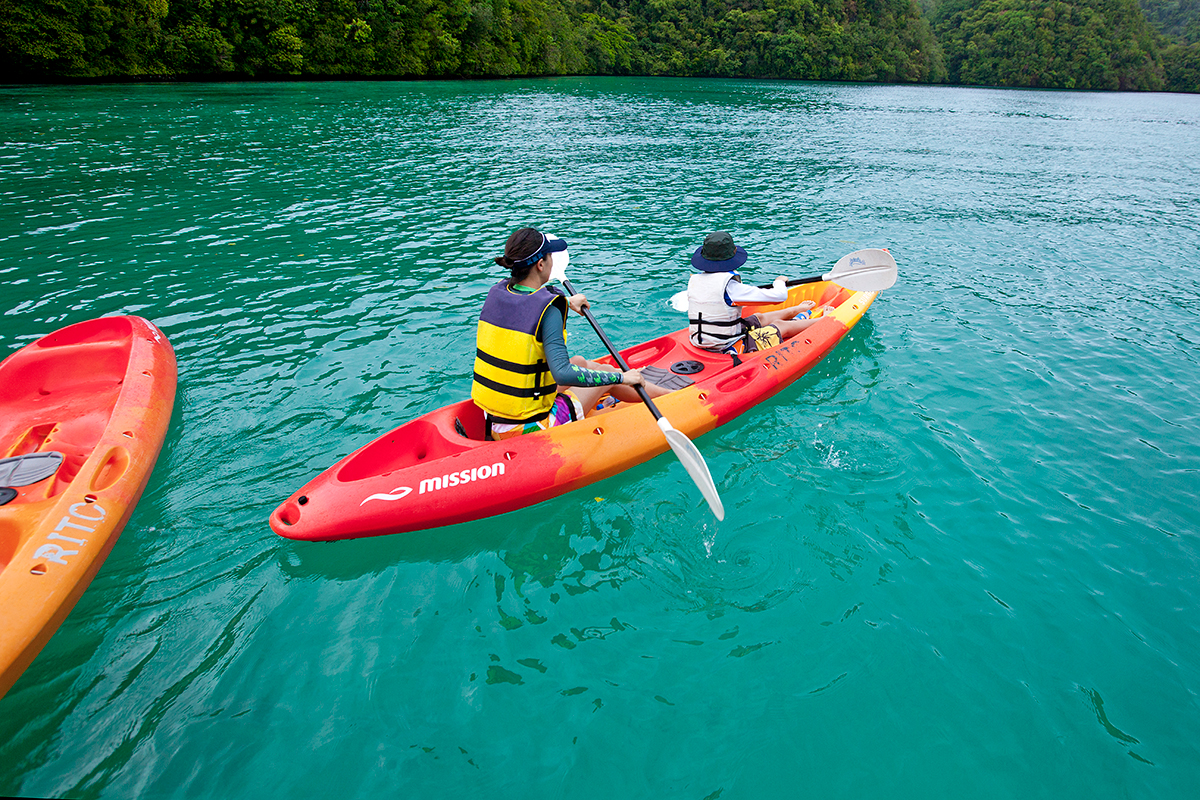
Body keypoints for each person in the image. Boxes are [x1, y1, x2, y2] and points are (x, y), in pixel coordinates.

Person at [472, 227, 666, 440]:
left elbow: (525, 308)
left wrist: (566, 302)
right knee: (609, 376)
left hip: (495, 418)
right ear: (540, 264)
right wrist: (622, 376)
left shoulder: (497, 292)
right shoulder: (550, 309)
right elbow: (563, 374)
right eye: (550, 257)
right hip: (530, 428)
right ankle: (673, 398)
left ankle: (660, 394)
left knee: (582, 361)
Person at [686, 230, 834, 354]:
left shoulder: (695, 280)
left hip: (700, 340)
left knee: (758, 318)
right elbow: (780, 296)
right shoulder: (731, 288)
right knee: (781, 326)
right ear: (732, 256)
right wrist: (779, 282)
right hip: (725, 346)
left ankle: (796, 310)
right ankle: (823, 321)